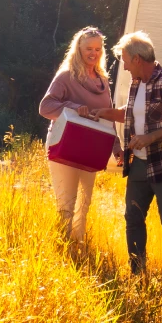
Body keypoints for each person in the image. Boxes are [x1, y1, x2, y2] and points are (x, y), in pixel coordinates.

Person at [92, 31, 162, 299]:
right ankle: (138, 275)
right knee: (133, 218)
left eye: (125, 60)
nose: (123, 66)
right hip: (139, 166)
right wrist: (104, 112)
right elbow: (132, 113)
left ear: (137, 59)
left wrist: (151, 137)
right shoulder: (137, 82)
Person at [38, 26, 120, 241]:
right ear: (78, 50)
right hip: (65, 145)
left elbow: (108, 116)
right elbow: (45, 107)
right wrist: (74, 108)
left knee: (84, 203)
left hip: (89, 149)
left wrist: (116, 145)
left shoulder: (102, 79)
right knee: (66, 204)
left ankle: (79, 246)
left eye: (98, 49)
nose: (94, 53)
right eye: (88, 49)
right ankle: (63, 248)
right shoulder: (66, 76)